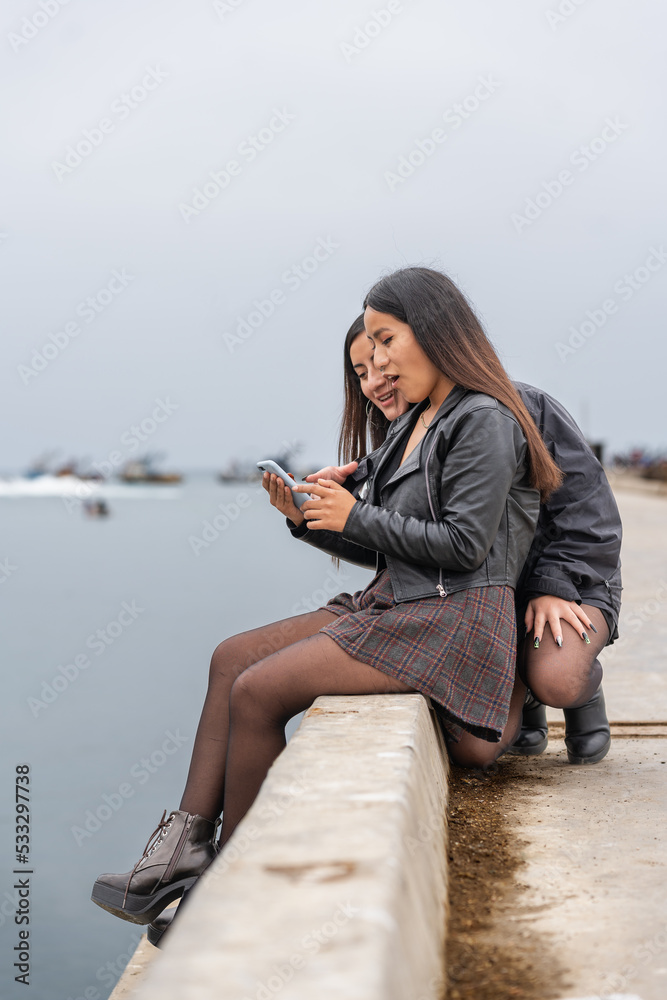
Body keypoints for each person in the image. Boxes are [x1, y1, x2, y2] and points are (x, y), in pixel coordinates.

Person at [91, 266, 557, 938]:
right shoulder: (412, 425)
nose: (375, 360)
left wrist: (353, 516)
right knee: (231, 657)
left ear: (434, 332)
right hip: (400, 600)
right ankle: (179, 851)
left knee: (257, 692)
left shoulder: (483, 419)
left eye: (384, 340)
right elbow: (395, 551)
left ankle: (234, 886)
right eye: (369, 346)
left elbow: (461, 546)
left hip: (453, 619)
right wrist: (309, 519)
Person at [324, 314, 621, 764]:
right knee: (483, 740)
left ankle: (578, 693)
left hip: (566, 581)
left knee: (557, 676)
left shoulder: (516, 406)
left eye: (383, 359)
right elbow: (405, 546)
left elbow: (587, 512)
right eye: (362, 372)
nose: (376, 380)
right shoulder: (404, 437)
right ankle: (526, 695)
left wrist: (551, 586)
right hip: (487, 596)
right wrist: (321, 519)